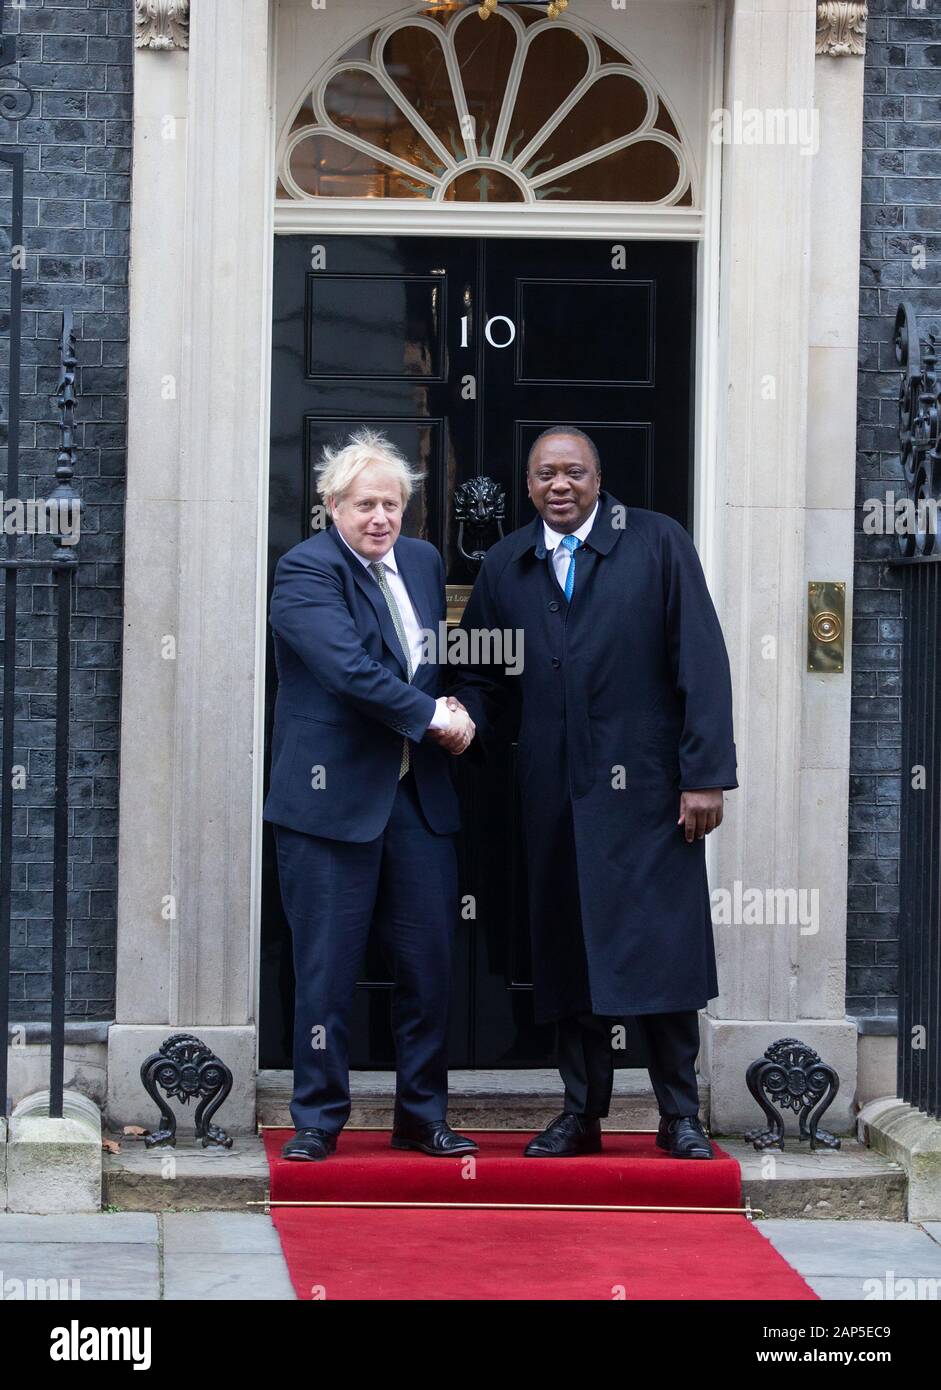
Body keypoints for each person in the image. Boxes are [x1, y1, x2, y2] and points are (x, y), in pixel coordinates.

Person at [451, 426, 737, 1159]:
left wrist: (704, 776)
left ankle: (679, 1116)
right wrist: (460, 722)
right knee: (566, 960)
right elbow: (481, 671)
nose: (559, 486)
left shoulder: (656, 543)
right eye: (545, 474)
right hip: (550, 801)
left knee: (661, 959)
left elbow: (700, 662)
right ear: (527, 484)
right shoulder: (508, 566)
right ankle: (581, 1114)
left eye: (573, 473)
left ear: (598, 479)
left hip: (648, 799)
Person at [263, 429, 476, 1161]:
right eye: (364, 505)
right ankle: (318, 1120)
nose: (380, 518)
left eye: (391, 504)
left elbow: (424, 665)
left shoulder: (419, 562)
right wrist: (433, 719)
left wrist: (451, 706)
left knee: (429, 970)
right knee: (325, 969)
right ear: (331, 507)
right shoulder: (304, 572)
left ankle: (421, 1115)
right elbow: (349, 670)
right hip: (329, 806)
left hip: (418, 802)